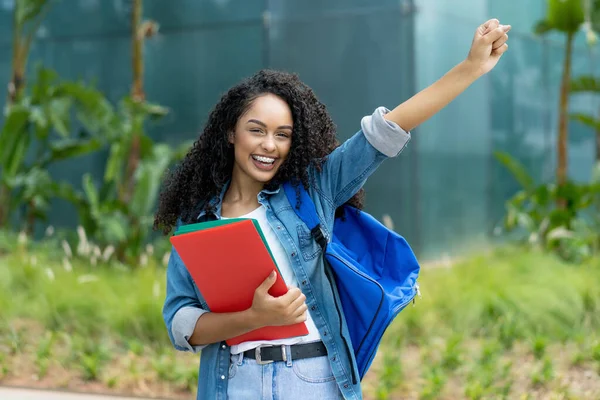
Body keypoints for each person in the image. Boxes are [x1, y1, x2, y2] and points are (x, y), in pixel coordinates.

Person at [154, 18, 511, 400]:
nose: (269, 145)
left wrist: (469, 68)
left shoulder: (312, 190)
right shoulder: (199, 219)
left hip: (310, 379)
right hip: (234, 383)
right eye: (256, 130)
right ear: (231, 133)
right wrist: (254, 319)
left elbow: (386, 130)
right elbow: (181, 323)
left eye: (283, 134)